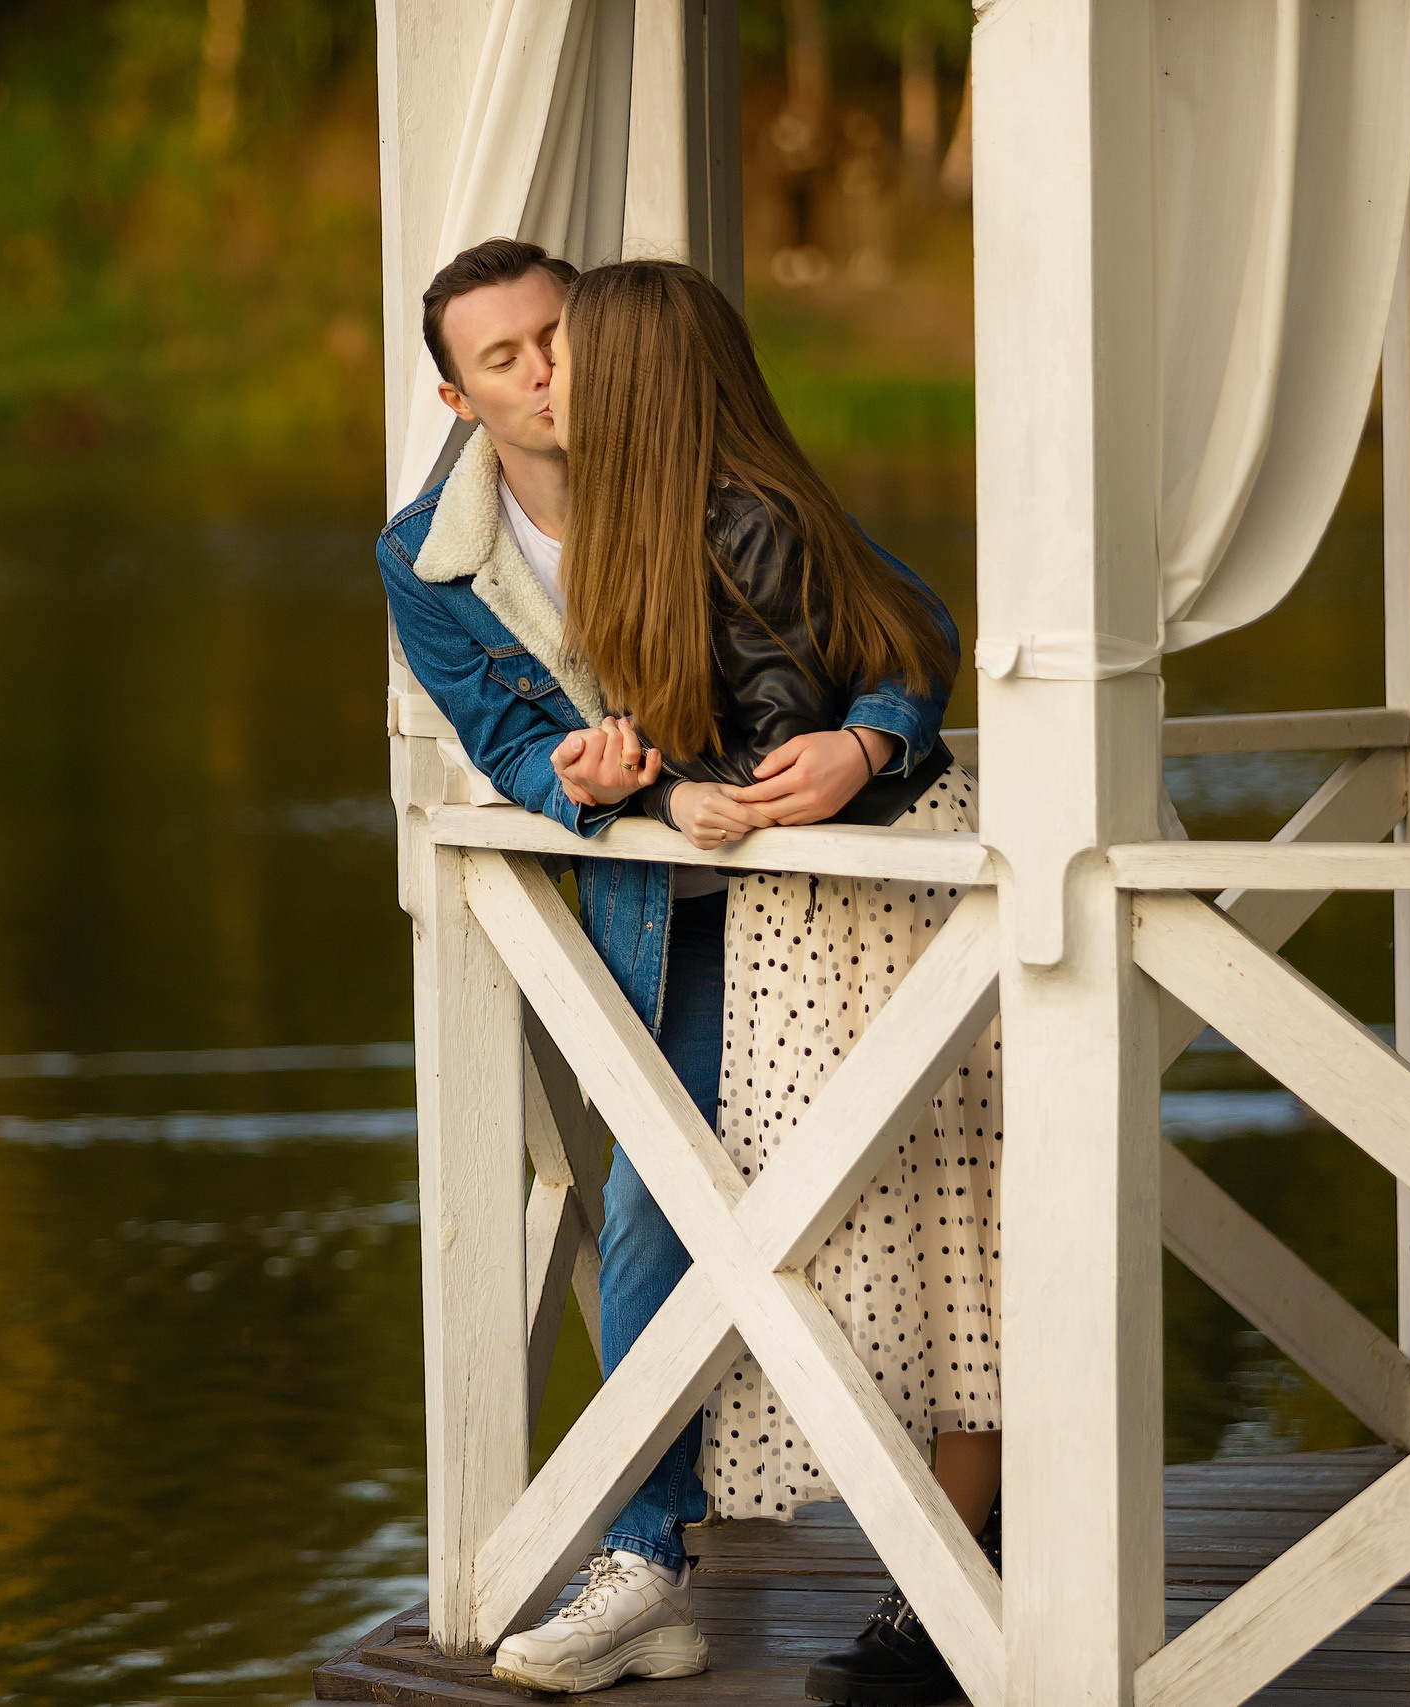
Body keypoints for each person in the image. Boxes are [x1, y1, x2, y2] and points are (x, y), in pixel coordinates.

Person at [375, 238, 976, 1702]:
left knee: (903, 1194)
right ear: (458, 395)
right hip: (655, 909)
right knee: (656, 1198)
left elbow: (909, 628)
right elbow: (506, 746)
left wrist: (872, 738)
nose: (541, 374)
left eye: (556, 337)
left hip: (827, 884)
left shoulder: (711, 484)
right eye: (505, 358)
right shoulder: (428, 557)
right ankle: (646, 1567)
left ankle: (947, 1567)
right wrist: (591, 783)